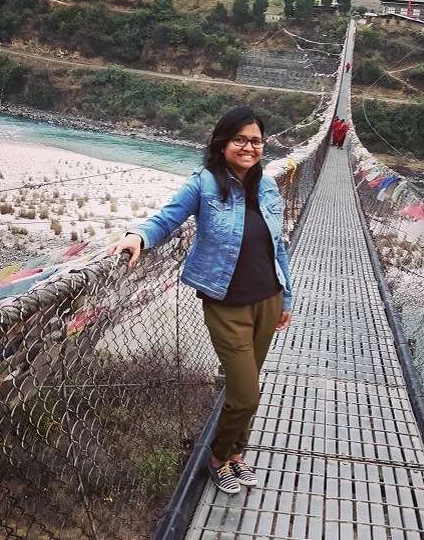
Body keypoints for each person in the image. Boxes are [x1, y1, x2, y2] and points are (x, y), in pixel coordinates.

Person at [108, 106, 293, 495]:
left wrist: (286, 298)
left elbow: (280, 246)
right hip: (226, 303)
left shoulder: (270, 187)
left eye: (256, 140)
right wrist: (137, 236)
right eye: (240, 139)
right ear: (222, 142)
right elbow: (166, 218)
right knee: (246, 394)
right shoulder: (204, 184)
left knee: (248, 387)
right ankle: (218, 457)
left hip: (269, 299)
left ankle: (236, 454)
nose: (249, 147)